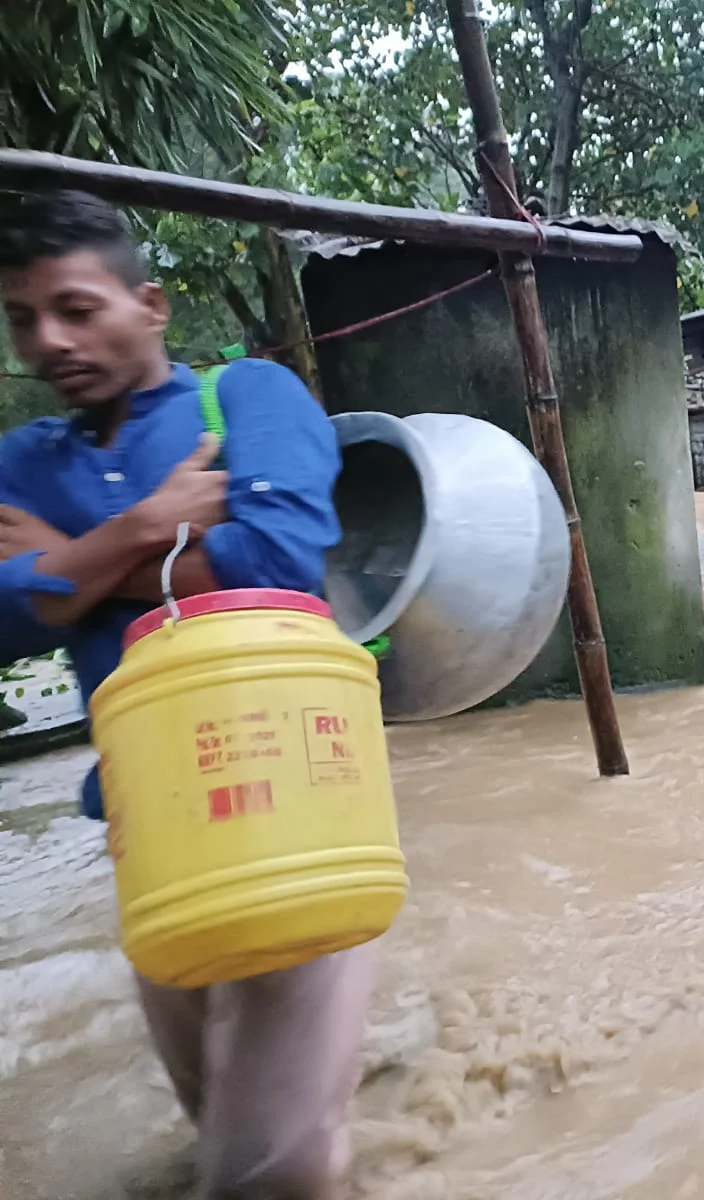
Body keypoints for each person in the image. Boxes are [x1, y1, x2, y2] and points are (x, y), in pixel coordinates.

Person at [0, 190, 372, 1198]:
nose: (48, 340)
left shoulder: (247, 398)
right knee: (217, 1120)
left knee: (271, 1169)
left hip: (292, 799)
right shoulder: (23, 460)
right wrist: (149, 529)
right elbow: (2, 619)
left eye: (76, 309)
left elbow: (282, 565)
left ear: (150, 305)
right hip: (149, 828)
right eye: (23, 318)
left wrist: (68, 568)